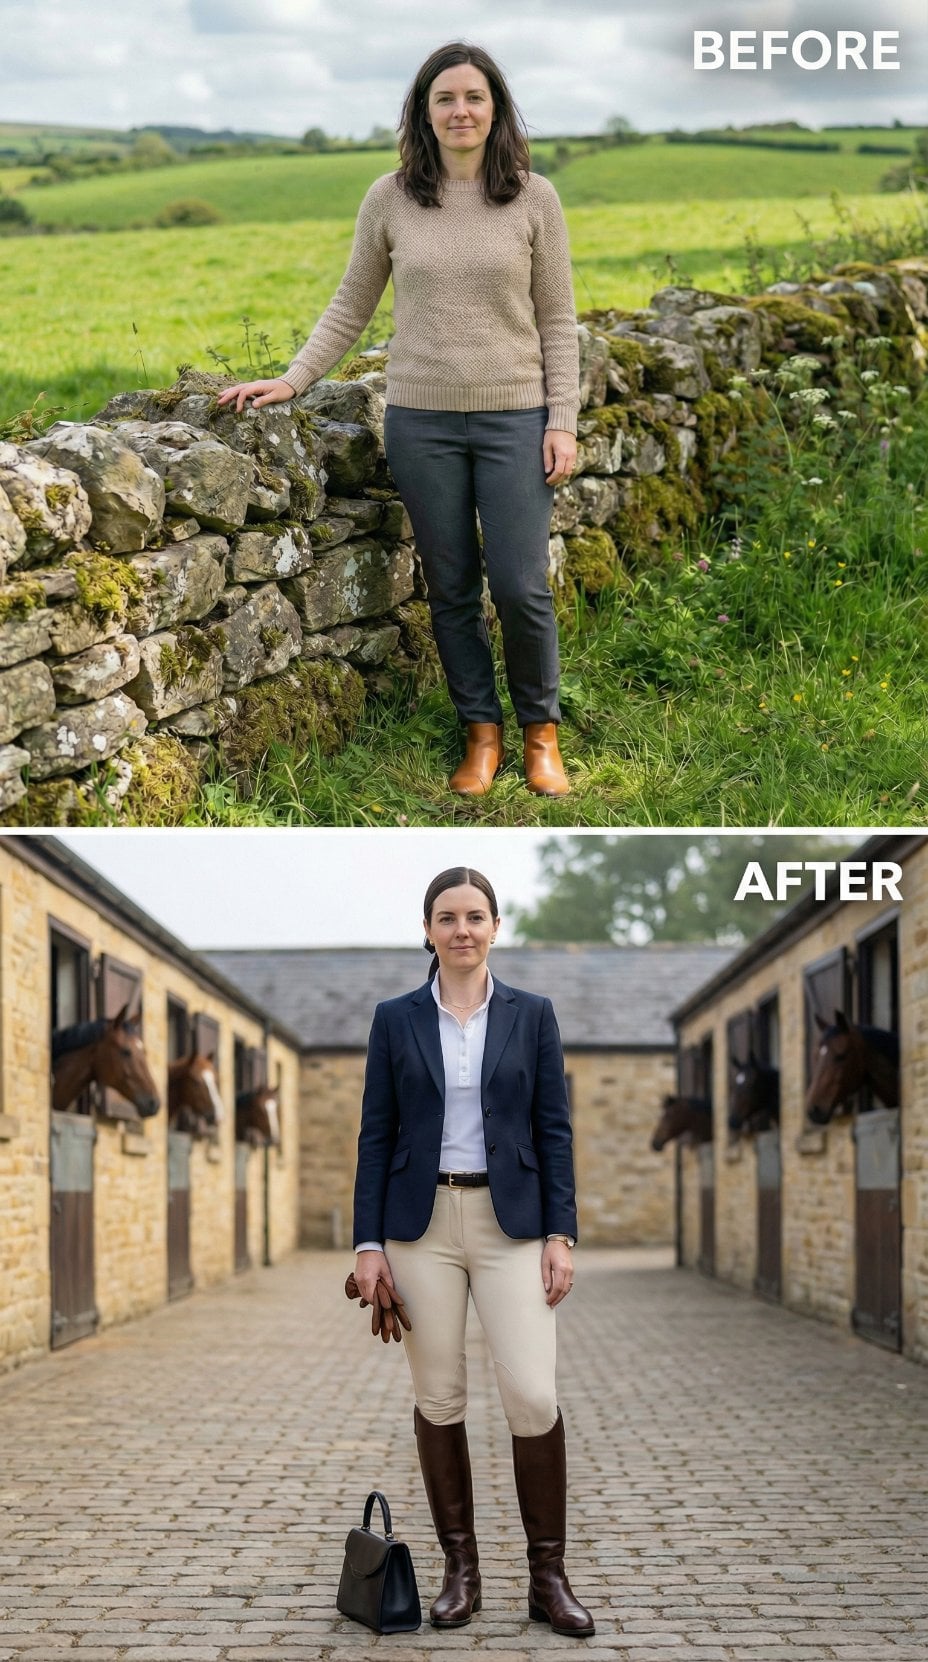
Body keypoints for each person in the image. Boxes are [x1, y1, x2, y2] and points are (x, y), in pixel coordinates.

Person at [217, 41, 581, 799]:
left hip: (517, 418)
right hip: (421, 422)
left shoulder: (534, 198)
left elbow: (557, 320)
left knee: (519, 587)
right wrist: (293, 378)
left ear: (496, 109)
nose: (460, 111)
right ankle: (480, 737)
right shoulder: (390, 198)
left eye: (474, 98)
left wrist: (563, 420)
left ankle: (540, 735)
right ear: (423, 111)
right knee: (449, 586)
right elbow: (352, 303)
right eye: (444, 98)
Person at [350, 866, 595, 1638]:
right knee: (439, 1396)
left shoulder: (533, 1015)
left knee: (532, 1394)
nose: (463, 929)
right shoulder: (395, 1019)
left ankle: (547, 1578)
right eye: (448, 917)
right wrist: (367, 1244)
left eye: (476, 916)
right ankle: (462, 1571)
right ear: (427, 929)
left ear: (496, 928)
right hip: (419, 1229)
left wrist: (561, 1232)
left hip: (511, 1223)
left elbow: (554, 1128)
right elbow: (375, 1135)